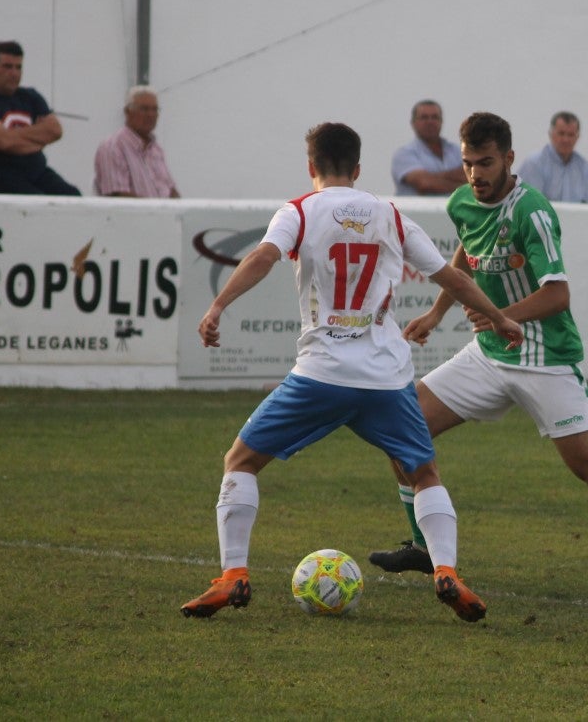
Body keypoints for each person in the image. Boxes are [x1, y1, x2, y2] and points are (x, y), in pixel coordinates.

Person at [369, 111, 588, 604]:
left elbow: (557, 295)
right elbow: (465, 257)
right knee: (400, 428)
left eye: (487, 163)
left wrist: (498, 314)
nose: (476, 174)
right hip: (489, 355)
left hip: (545, 359)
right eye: (469, 163)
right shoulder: (462, 203)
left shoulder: (532, 211)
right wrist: (436, 313)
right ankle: (424, 547)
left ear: (510, 159)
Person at [181, 121, 524, 623]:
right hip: (385, 378)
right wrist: (499, 317)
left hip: (321, 374)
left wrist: (217, 306)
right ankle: (446, 569)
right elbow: (450, 275)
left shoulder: (298, 210)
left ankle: (233, 576)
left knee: (240, 461)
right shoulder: (390, 215)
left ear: (311, 167)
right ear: (358, 169)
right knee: (424, 472)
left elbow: (263, 256)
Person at [0, 40, 80, 195]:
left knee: (73, 197)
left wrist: (13, 140)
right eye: (7, 67)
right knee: (37, 203)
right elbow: (2, 141)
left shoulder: (31, 97)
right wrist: (39, 138)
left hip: (37, 172)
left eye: (18, 67)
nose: (14, 73)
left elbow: (55, 131)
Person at [93, 85, 180, 198]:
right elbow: (117, 195)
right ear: (128, 112)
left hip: (163, 214)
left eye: (155, 109)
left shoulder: (155, 149)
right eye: (144, 109)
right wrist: (156, 210)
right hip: (133, 215)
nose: (150, 115)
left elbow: (170, 190)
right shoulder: (112, 147)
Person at [516, 111, 588, 203]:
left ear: (577, 137)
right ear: (550, 134)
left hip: (576, 218)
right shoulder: (534, 164)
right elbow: (529, 204)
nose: (565, 139)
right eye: (561, 133)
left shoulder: (584, 167)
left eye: (571, 135)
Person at [390, 99, 464, 195]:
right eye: (424, 117)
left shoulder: (457, 151)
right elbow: (425, 184)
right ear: (413, 123)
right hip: (415, 210)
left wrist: (433, 177)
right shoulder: (404, 154)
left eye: (435, 117)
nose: (430, 122)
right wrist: (465, 184)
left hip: (454, 210)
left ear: (441, 121)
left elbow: (473, 176)